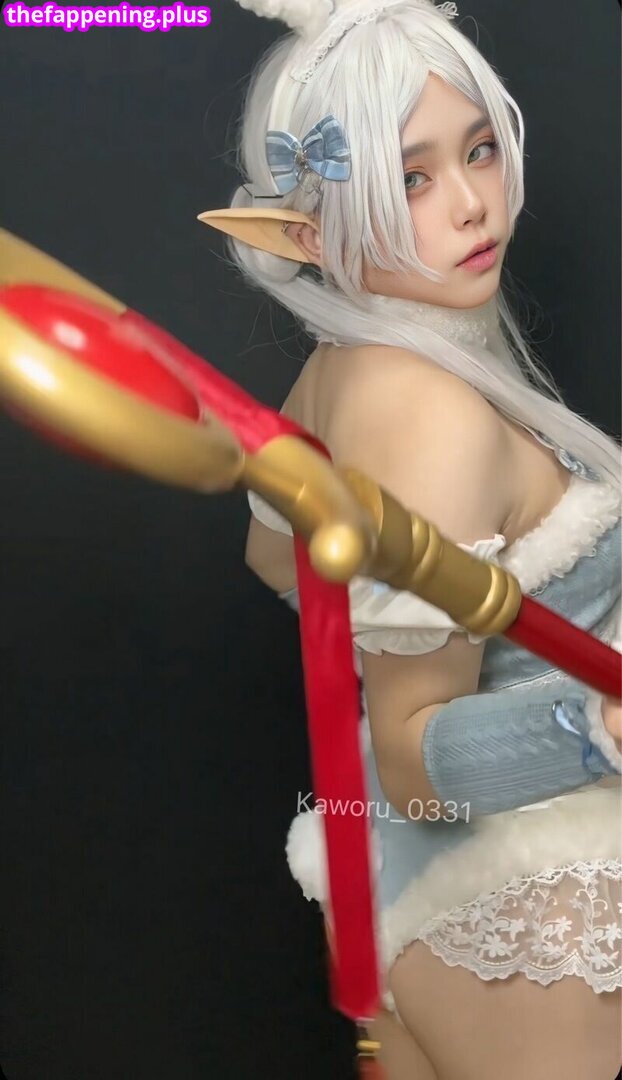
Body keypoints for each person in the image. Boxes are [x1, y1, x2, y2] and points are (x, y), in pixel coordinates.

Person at [199, 2, 622, 1077]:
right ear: (312, 231)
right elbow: (411, 762)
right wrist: (598, 726)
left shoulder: (348, 367)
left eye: (477, 150)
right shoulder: (427, 407)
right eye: (411, 179)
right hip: (528, 915)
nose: (472, 203)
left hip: (438, 906)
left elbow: (274, 558)